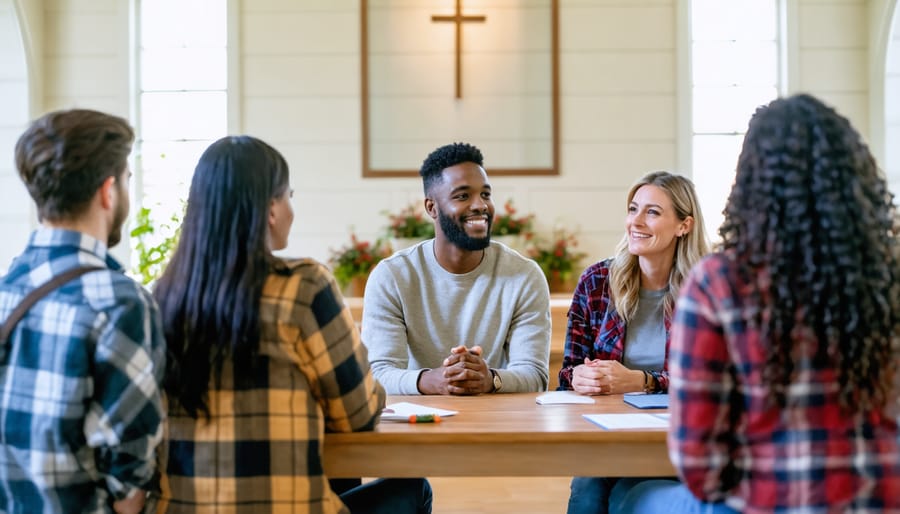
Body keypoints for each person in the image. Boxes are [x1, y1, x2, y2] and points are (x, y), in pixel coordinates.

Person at [611, 94, 900, 513]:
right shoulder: (890, 279)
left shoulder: (719, 283)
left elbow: (701, 467)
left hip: (772, 501)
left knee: (629, 497)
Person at [152, 136, 432, 514]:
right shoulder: (304, 287)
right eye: (289, 196)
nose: (290, 209)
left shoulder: (161, 298)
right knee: (414, 489)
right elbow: (358, 415)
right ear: (270, 207)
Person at [0, 109, 165, 513]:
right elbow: (129, 472)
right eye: (127, 180)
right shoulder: (118, 301)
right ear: (108, 191)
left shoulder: (5, 291)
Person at [558, 171, 710, 514]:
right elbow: (567, 372)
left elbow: (711, 384)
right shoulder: (597, 281)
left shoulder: (707, 290)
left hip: (680, 439)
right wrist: (580, 378)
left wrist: (643, 382)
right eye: (633, 209)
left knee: (627, 494)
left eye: (652, 212)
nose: (636, 222)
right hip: (608, 433)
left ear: (683, 225)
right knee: (587, 490)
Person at [363, 142, 551, 395]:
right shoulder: (393, 276)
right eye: (463, 196)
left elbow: (536, 375)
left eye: (485, 194)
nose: (480, 205)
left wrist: (489, 378)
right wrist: (432, 380)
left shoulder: (525, 276)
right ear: (432, 208)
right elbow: (377, 374)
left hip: (497, 419)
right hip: (419, 420)